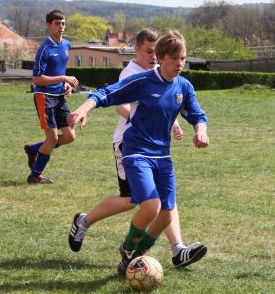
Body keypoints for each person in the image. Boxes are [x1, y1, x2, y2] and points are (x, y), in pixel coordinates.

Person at [67, 30, 209, 276]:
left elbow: (197, 114)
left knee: (165, 214)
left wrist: (201, 131)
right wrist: (83, 108)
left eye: (183, 59)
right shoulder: (143, 81)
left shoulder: (183, 86)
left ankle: (133, 257)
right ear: (162, 57)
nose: (179, 64)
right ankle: (128, 248)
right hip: (136, 152)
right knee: (150, 206)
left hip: (162, 156)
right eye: (174, 59)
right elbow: (106, 93)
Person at [24, 9, 79, 184]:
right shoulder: (44, 48)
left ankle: (34, 149)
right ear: (49, 25)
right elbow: (37, 78)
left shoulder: (66, 45)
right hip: (44, 96)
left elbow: (59, 70)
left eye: (63, 23)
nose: (61, 26)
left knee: (70, 136)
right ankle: (35, 175)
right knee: (53, 138)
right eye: (57, 23)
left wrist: (65, 84)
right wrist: (63, 78)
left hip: (60, 96)